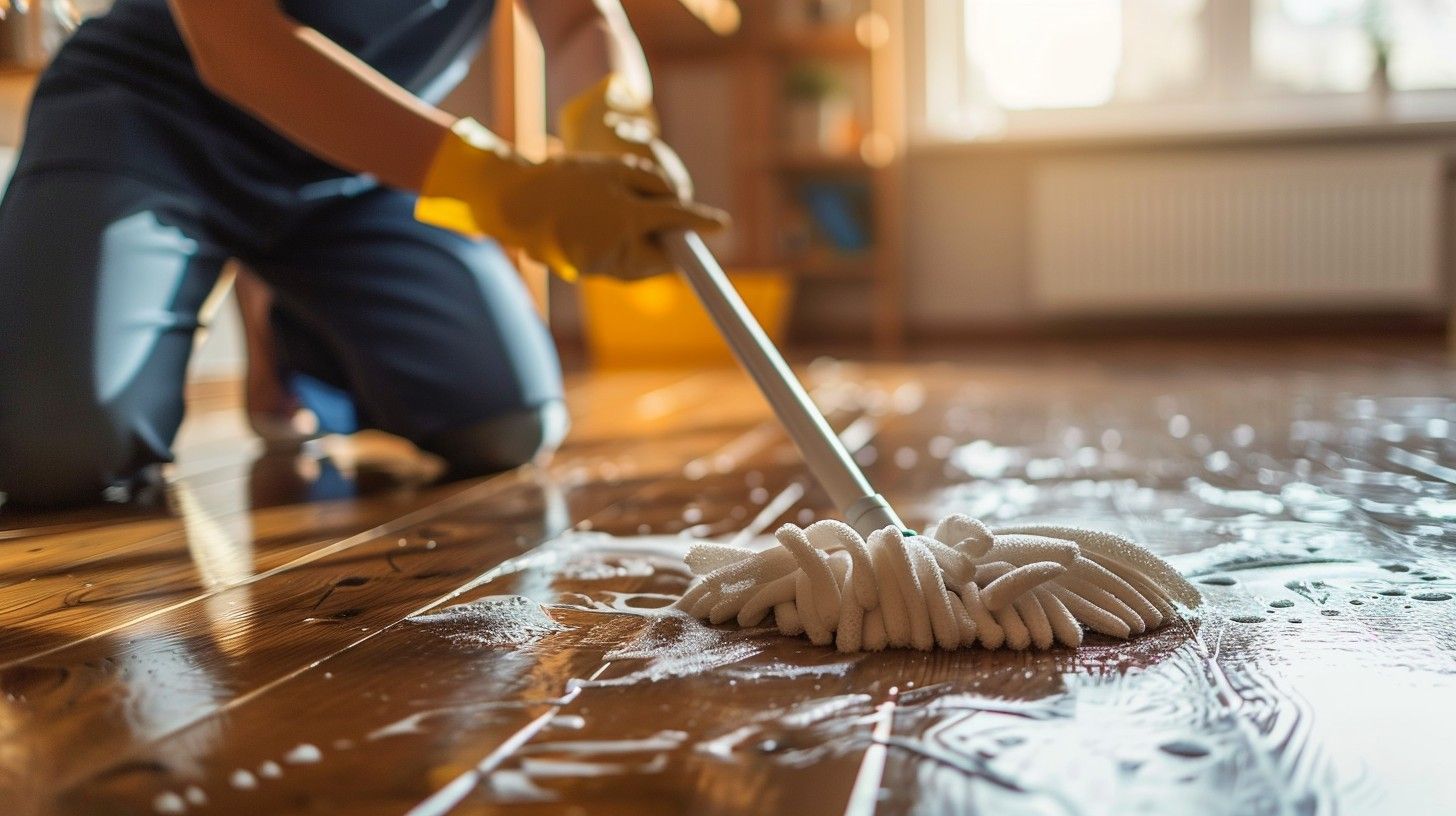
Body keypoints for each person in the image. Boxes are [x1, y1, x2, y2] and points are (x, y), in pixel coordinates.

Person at [0, 0, 726, 507]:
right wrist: (498, 187)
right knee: (56, 453)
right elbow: (236, 45)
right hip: (148, 122)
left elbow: (577, 18)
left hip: (355, 165)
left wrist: (612, 120)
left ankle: (286, 324)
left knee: (508, 424)